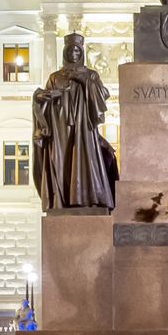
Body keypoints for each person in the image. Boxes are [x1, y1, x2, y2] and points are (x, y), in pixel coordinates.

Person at [31, 33, 118, 210]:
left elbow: (103, 94)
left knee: (85, 159)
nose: (74, 54)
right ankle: (62, 200)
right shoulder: (55, 77)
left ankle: (87, 198)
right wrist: (40, 96)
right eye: (71, 51)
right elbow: (44, 100)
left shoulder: (90, 75)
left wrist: (85, 82)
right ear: (65, 52)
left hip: (83, 126)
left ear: (82, 53)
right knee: (61, 161)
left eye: (77, 51)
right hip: (60, 126)